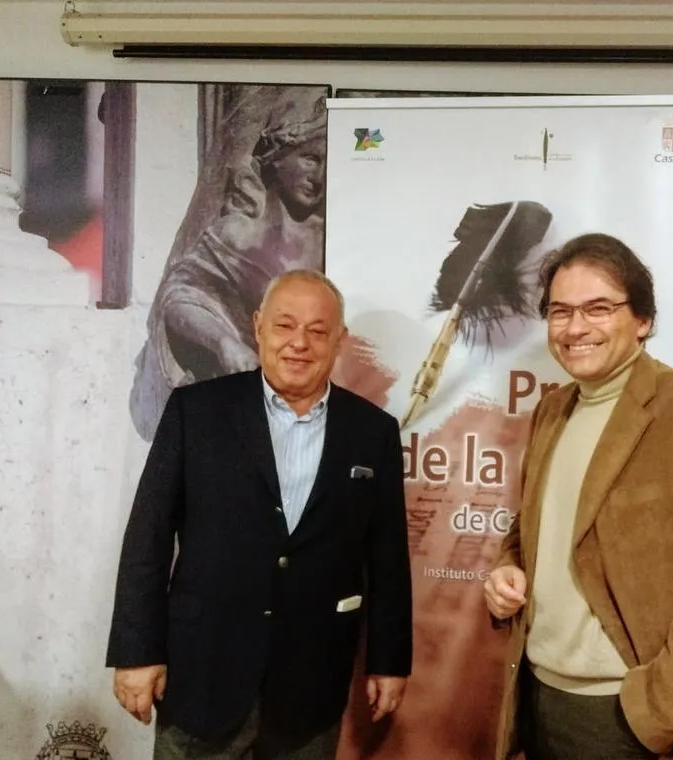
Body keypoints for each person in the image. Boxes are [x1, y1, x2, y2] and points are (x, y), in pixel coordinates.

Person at [483, 233, 673, 760]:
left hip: (632, 719)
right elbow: (529, 535)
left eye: (598, 308)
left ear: (643, 320)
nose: (575, 328)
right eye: (560, 311)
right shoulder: (552, 412)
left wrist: (650, 713)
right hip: (541, 700)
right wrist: (508, 569)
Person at [108, 269, 412, 759]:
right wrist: (136, 652)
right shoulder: (196, 411)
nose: (299, 343)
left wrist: (390, 661)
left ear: (339, 340)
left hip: (310, 691)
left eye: (317, 331)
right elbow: (149, 536)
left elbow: (388, 556)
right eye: (284, 325)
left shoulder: (373, 431)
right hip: (202, 678)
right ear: (258, 327)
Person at [130, 96, 328, 441]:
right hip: (239, 412)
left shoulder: (330, 242)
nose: (319, 176)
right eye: (310, 158)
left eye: (327, 163)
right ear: (277, 157)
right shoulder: (234, 235)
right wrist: (224, 343)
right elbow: (180, 298)